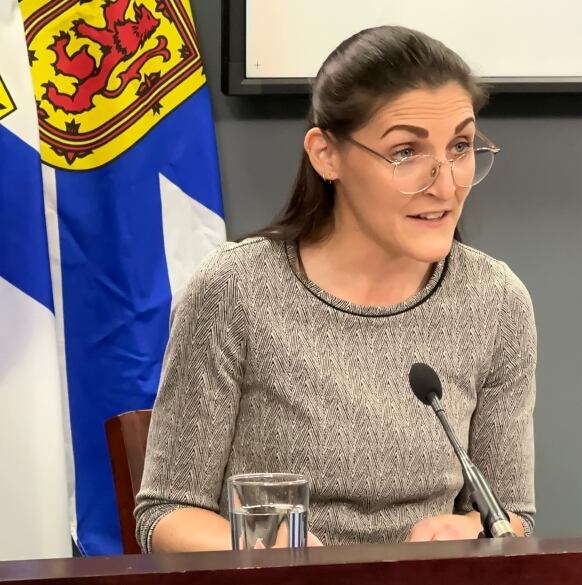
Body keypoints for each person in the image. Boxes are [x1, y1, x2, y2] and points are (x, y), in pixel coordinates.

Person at [134, 25, 537, 552]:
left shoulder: (496, 302)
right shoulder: (234, 290)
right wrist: (277, 552)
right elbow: (165, 514)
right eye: (405, 153)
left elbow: (513, 515)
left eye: (460, 146)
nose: (446, 184)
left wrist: (472, 528)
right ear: (326, 154)